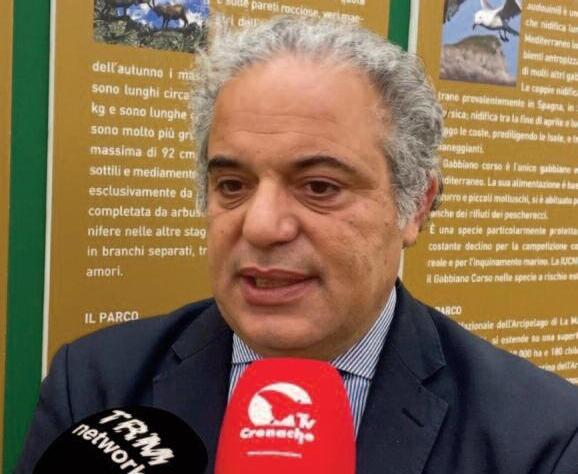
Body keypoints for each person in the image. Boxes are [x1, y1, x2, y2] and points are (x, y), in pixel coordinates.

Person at [18, 17, 578, 473]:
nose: (262, 226)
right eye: (232, 185)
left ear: (416, 205)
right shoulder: (94, 386)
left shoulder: (540, 438)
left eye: (319, 187)